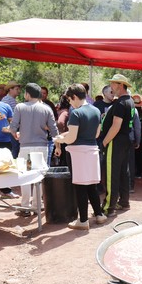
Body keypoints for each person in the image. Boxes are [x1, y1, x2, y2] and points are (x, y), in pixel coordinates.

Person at [54, 83, 107, 230]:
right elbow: (97, 134)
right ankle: (99, 214)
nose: (70, 103)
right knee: (91, 185)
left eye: (70, 100)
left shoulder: (76, 113)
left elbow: (71, 138)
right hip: (92, 150)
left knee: (80, 186)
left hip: (79, 153)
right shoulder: (96, 110)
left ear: (75, 97)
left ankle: (83, 220)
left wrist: (60, 140)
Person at [10, 83, 58, 214]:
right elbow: (54, 130)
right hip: (41, 147)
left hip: (26, 147)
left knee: (25, 176)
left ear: (28, 94)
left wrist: (16, 134)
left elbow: (13, 127)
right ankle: (37, 206)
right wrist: (58, 146)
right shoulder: (46, 108)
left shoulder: (20, 107)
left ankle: (25, 206)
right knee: (38, 177)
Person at [101, 74, 135, 217]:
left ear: (120, 85)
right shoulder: (130, 101)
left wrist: (104, 142)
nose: (111, 87)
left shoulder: (121, 103)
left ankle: (109, 206)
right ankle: (124, 201)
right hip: (125, 140)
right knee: (122, 172)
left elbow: (115, 126)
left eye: (113, 84)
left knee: (111, 173)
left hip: (116, 141)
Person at [2, 81, 22, 158]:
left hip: (14, 128)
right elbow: (6, 115)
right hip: (11, 129)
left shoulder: (11, 99)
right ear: (10, 89)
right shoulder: (7, 99)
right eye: (16, 89)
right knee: (14, 149)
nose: (18, 91)